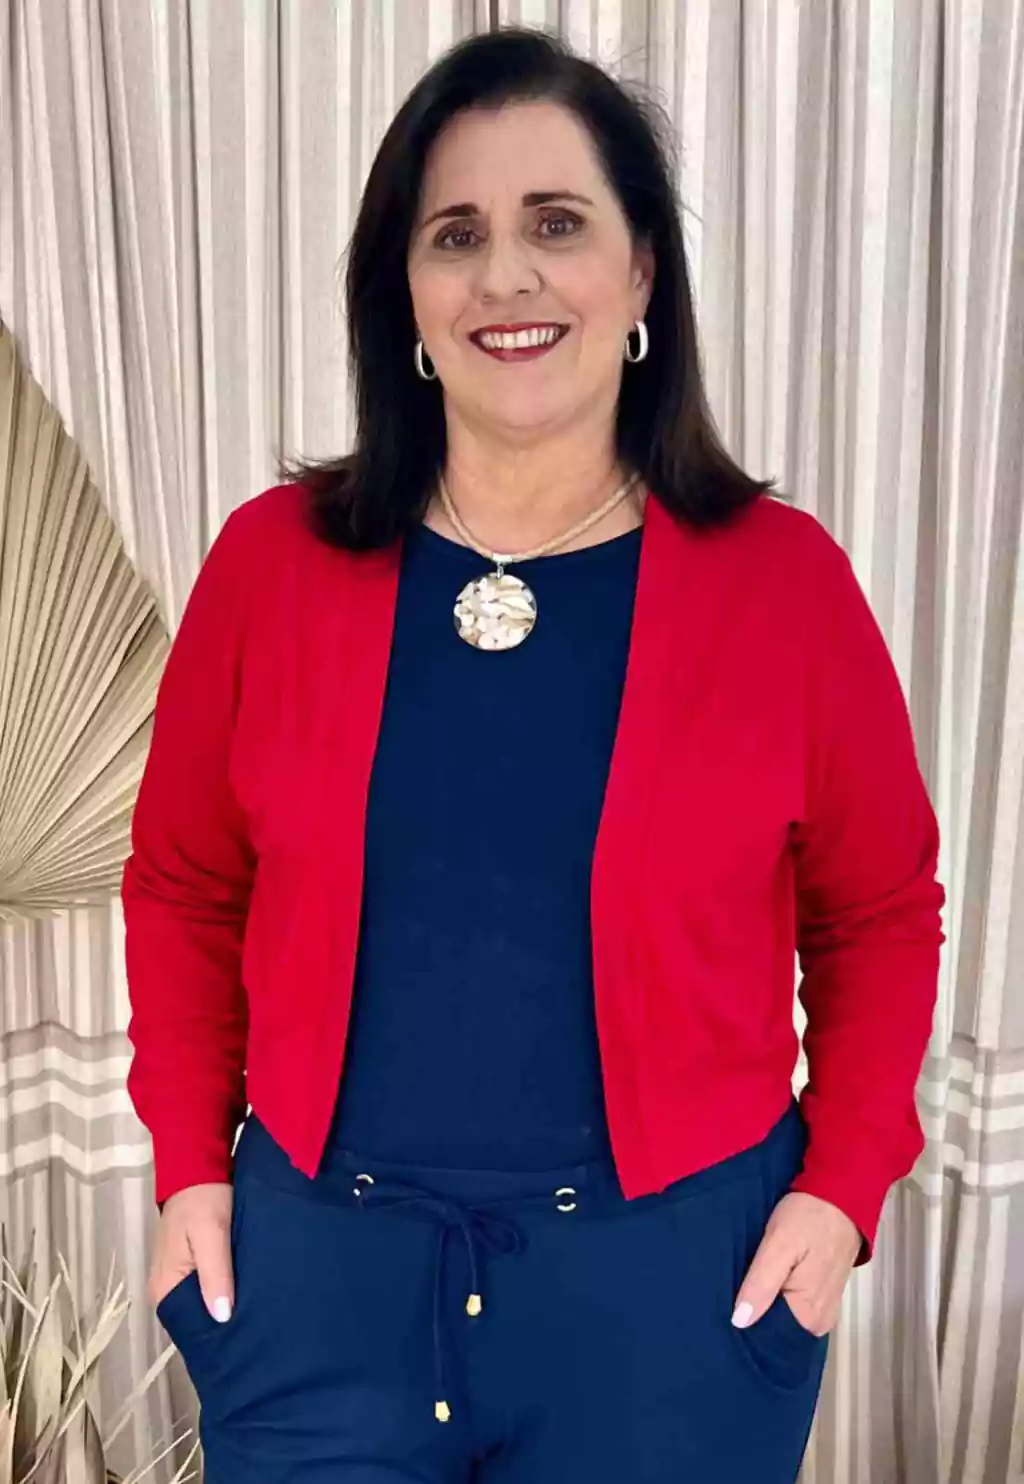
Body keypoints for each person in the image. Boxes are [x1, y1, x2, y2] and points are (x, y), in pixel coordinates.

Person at [122, 26, 945, 1484]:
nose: (506, 276)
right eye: (457, 235)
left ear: (641, 276)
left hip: (672, 1305)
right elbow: (186, 886)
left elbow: (877, 913)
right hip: (320, 1287)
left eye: (556, 224)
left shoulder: (784, 587)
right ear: (406, 296)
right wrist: (190, 1167)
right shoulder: (270, 567)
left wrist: (839, 1193)